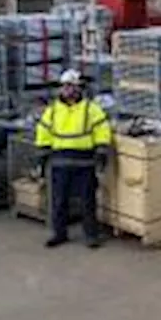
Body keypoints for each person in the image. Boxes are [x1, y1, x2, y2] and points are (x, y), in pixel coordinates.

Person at [35, 69, 113, 249]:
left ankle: (90, 234)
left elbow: (102, 129)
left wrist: (101, 150)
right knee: (59, 200)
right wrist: (42, 156)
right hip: (59, 161)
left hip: (84, 161)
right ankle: (59, 233)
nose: (67, 90)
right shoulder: (53, 110)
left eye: (71, 86)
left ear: (79, 88)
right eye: (65, 86)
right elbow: (43, 131)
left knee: (87, 201)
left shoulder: (91, 109)